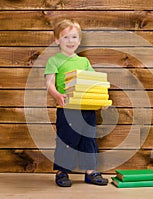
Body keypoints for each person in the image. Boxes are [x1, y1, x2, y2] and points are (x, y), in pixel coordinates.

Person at [44, 19, 108, 187]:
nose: (70, 41)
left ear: (79, 41)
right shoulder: (54, 61)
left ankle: (90, 171)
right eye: (65, 37)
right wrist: (57, 95)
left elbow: (94, 82)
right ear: (57, 40)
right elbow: (49, 83)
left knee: (88, 139)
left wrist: (101, 100)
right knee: (66, 140)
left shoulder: (84, 62)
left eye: (74, 37)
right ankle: (62, 172)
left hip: (86, 109)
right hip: (67, 108)